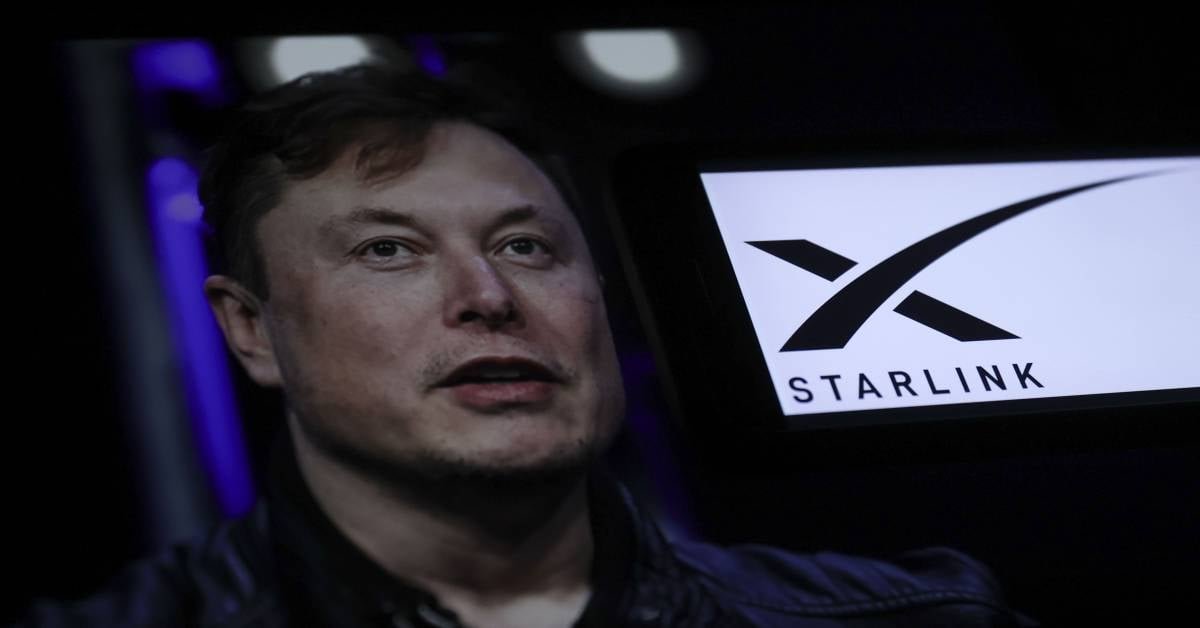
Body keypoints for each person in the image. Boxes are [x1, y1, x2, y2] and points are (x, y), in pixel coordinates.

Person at [19, 64, 1035, 627]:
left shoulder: (917, 619)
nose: (488, 297)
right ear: (251, 330)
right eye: (388, 250)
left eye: (525, 246)